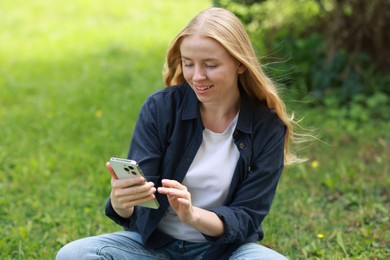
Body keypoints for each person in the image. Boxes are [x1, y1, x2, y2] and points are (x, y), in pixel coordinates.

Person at [57, 7, 299, 260]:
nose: (197, 76)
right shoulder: (161, 108)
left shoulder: (267, 126)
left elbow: (247, 217)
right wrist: (121, 203)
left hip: (223, 252)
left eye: (210, 65)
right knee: (74, 254)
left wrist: (192, 215)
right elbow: (141, 202)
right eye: (188, 63)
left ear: (240, 63)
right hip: (155, 248)